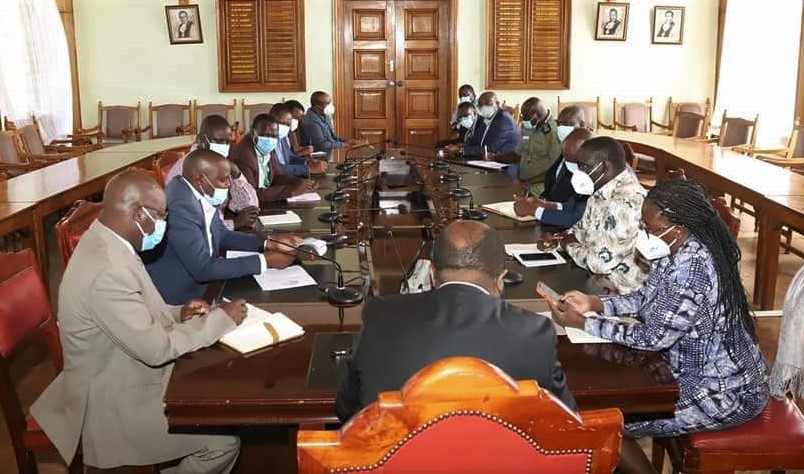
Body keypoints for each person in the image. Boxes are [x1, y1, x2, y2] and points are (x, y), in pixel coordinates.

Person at [550, 178, 769, 473]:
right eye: (644, 226)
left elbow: (652, 337)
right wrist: (595, 303)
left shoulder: (693, 270)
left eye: (651, 229)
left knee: (607, 423)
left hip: (724, 391)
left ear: (678, 227)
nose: (645, 235)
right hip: (689, 373)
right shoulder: (675, 248)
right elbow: (646, 297)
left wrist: (585, 323)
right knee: (607, 411)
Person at [31, 169, 245, 471]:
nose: (164, 225)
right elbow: (156, 350)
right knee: (222, 442)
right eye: (160, 215)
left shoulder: (109, 240)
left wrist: (178, 313)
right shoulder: (107, 269)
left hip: (121, 370)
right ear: (136, 213)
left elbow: (134, 309)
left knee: (215, 391)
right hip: (109, 403)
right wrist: (221, 320)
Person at [336, 220, 576, 421]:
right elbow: (566, 420)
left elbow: (347, 410)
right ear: (500, 279)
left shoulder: (379, 316)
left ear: (432, 273)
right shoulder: (536, 333)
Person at [146, 149, 300, 305]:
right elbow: (203, 269)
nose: (228, 184)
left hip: (206, 281)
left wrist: (268, 243)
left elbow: (222, 235)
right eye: (223, 180)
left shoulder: (198, 190)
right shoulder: (180, 207)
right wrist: (265, 261)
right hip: (184, 297)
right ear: (200, 179)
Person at [545, 136, 647, 294]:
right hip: (592, 277)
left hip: (618, 292)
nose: (578, 172)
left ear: (604, 167)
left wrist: (568, 245)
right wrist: (557, 240)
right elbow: (579, 230)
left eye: (583, 166)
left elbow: (599, 264)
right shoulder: (600, 188)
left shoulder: (626, 202)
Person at [164, 114, 260, 231]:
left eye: (228, 142)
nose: (225, 146)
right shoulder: (188, 169)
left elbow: (250, 207)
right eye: (219, 141)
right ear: (202, 140)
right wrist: (235, 223)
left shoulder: (221, 163)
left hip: (219, 230)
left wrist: (236, 174)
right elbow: (198, 225)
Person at [513, 127, 593, 229]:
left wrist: (533, 210)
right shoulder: (581, 168)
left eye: (575, 163)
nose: (569, 167)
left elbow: (574, 218)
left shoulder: (592, 180)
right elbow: (569, 206)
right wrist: (542, 204)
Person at [230, 113, 316, 205]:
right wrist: (291, 191)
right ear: (253, 132)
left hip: (265, 202)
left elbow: (276, 176)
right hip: (249, 207)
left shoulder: (265, 147)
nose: (269, 139)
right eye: (265, 134)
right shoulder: (244, 156)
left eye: (274, 136)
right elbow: (252, 194)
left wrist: (299, 183)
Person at [495, 97, 561, 183]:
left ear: (535, 115)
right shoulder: (529, 126)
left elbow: (555, 169)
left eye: (526, 117)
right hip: (523, 180)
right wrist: (495, 157)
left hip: (540, 185)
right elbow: (518, 154)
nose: (523, 120)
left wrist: (527, 183)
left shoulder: (554, 131)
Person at [443, 91, 519, 163]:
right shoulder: (485, 118)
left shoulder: (504, 120)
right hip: (484, 159)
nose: (483, 107)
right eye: (480, 105)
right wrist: (459, 146)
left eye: (488, 104)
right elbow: (475, 141)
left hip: (503, 161)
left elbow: (491, 148)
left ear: (497, 104)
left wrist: (461, 150)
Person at [269, 103, 327, 178]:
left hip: (287, 177)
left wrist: (307, 162)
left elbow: (290, 157)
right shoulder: (267, 141)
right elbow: (276, 168)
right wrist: (308, 169)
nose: (285, 127)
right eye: (282, 123)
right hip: (277, 179)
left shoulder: (282, 138)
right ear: (272, 121)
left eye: (288, 124)